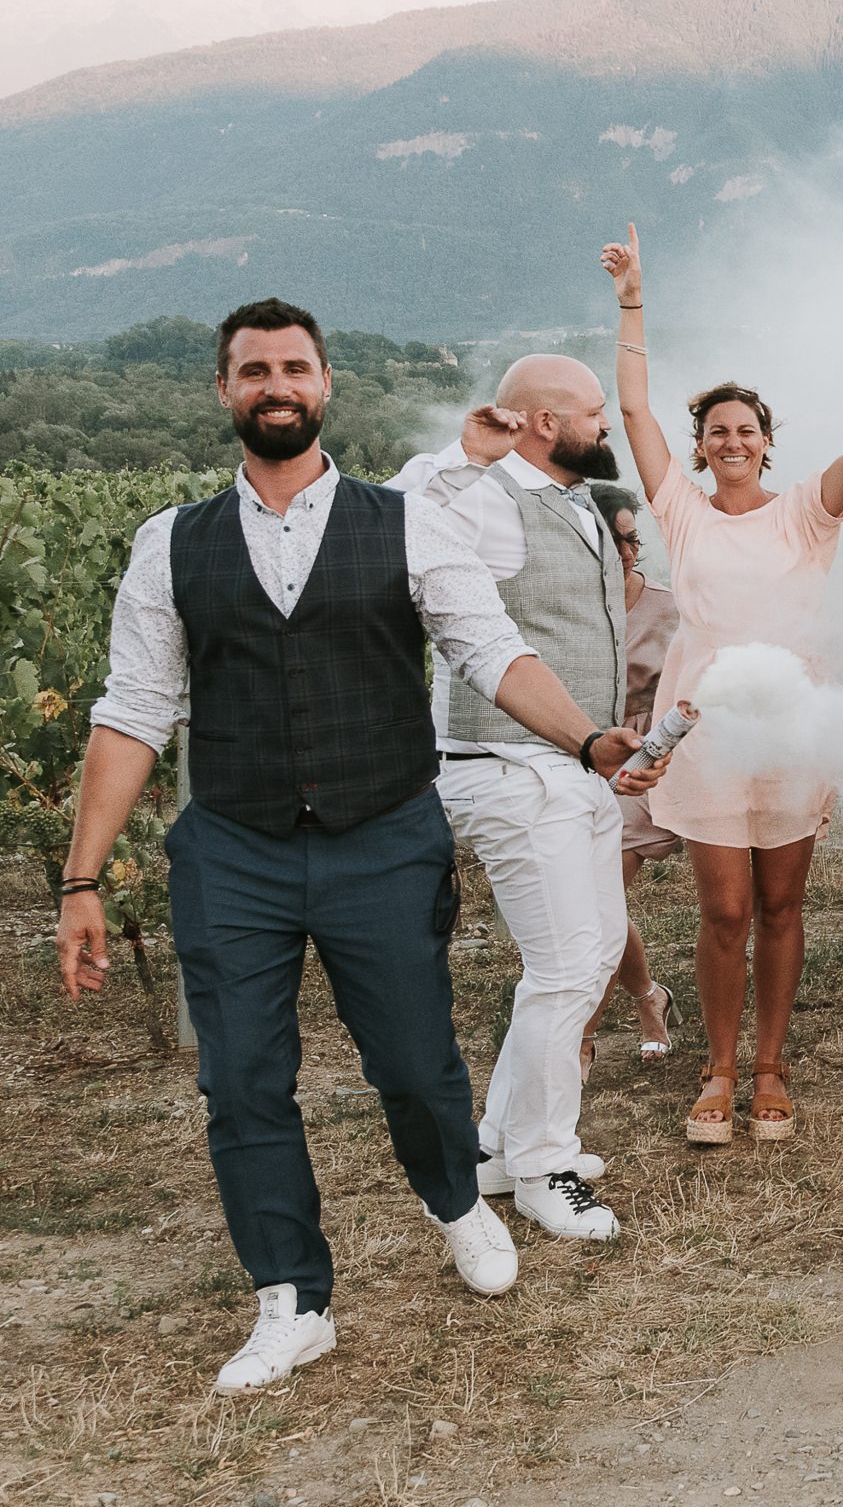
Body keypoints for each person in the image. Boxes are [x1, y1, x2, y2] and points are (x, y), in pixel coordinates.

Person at [54, 297, 657, 1396]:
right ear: (225, 390)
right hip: (234, 849)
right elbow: (133, 708)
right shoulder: (170, 542)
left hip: (382, 836)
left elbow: (491, 650)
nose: (274, 383)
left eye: (293, 366)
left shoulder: (412, 522)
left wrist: (587, 738)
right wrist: (82, 876)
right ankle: (292, 1295)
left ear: (324, 384)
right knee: (241, 1080)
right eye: (252, 369)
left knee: (416, 1066)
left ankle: (456, 1197)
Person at [605, 224, 843, 1145]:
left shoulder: (808, 515)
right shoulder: (683, 516)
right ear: (701, 447)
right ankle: (719, 1067)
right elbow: (634, 416)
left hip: (791, 732)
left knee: (781, 905)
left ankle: (770, 1066)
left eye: (747, 429)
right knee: (723, 907)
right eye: (717, 430)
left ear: (768, 443)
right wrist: (632, 305)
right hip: (700, 735)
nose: (732, 439)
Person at [388, 353, 640, 1244]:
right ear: (542, 421)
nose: (605, 425)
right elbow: (399, 518)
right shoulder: (487, 497)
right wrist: (461, 457)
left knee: (594, 950)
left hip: (572, 766)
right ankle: (543, 1165)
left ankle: (500, 1144)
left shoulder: (576, 502)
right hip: (505, 765)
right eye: (593, 412)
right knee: (567, 963)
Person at [581, 481, 680, 1073]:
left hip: (645, 760)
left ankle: (582, 1037)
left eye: (631, 538)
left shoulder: (669, 607)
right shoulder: (564, 606)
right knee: (596, 903)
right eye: (611, 539)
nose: (625, 551)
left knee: (596, 903)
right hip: (575, 753)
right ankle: (649, 998)